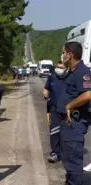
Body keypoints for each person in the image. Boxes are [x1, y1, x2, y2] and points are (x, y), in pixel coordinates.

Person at [56, 42, 91, 185]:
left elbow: (88, 95)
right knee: (67, 158)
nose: (62, 55)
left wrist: (70, 105)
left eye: (64, 52)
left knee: (73, 161)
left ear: (69, 54)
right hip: (67, 123)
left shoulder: (83, 72)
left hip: (74, 124)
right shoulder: (73, 70)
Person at [42, 61, 66, 163]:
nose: (59, 69)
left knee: (65, 133)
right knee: (54, 130)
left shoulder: (70, 78)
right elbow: (46, 89)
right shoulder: (52, 77)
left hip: (67, 110)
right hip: (53, 108)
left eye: (61, 67)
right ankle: (54, 153)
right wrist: (45, 94)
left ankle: (64, 152)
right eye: (57, 67)